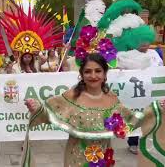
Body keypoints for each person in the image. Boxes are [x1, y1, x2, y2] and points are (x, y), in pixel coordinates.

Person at [24, 53, 165, 166]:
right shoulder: (72, 96)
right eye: (88, 71)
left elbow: (130, 120)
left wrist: (155, 109)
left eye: (98, 71)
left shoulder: (111, 98)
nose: (93, 76)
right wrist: (37, 108)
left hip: (104, 157)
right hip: (76, 157)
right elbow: (50, 114)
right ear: (81, 75)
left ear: (105, 74)